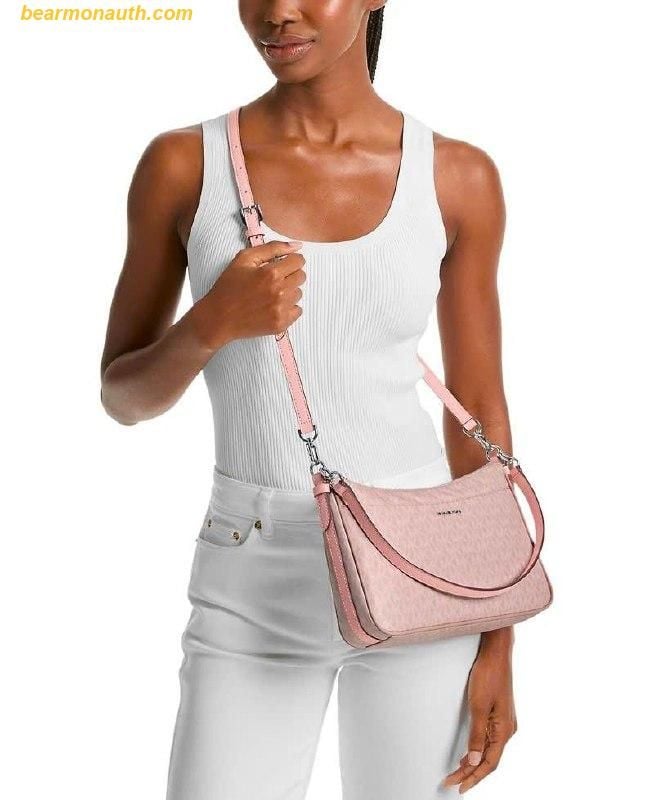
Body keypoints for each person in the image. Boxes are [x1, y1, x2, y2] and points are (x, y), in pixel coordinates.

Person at [100, 2, 519, 797]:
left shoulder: (457, 177)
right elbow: (123, 396)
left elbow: (478, 416)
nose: (277, 12)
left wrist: (498, 640)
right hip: (250, 582)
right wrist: (211, 323)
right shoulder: (183, 166)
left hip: (424, 571)